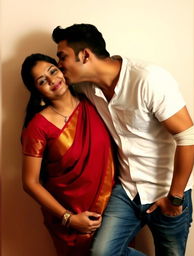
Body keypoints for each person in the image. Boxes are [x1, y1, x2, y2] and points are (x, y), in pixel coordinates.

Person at [51, 24, 194, 256]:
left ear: (85, 55)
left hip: (166, 192)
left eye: (62, 56)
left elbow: (188, 138)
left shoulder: (148, 79)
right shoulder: (88, 88)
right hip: (127, 191)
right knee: (101, 254)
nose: (58, 65)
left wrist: (176, 197)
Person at [20, 53, 115, 256]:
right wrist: (69, 219)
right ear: (36, 90)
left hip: (112, 211)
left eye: (53, 71)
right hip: (70, 219)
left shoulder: (93, 103)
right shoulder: (38, 126)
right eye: (42, 81)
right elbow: (30, 182)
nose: (53, 81)